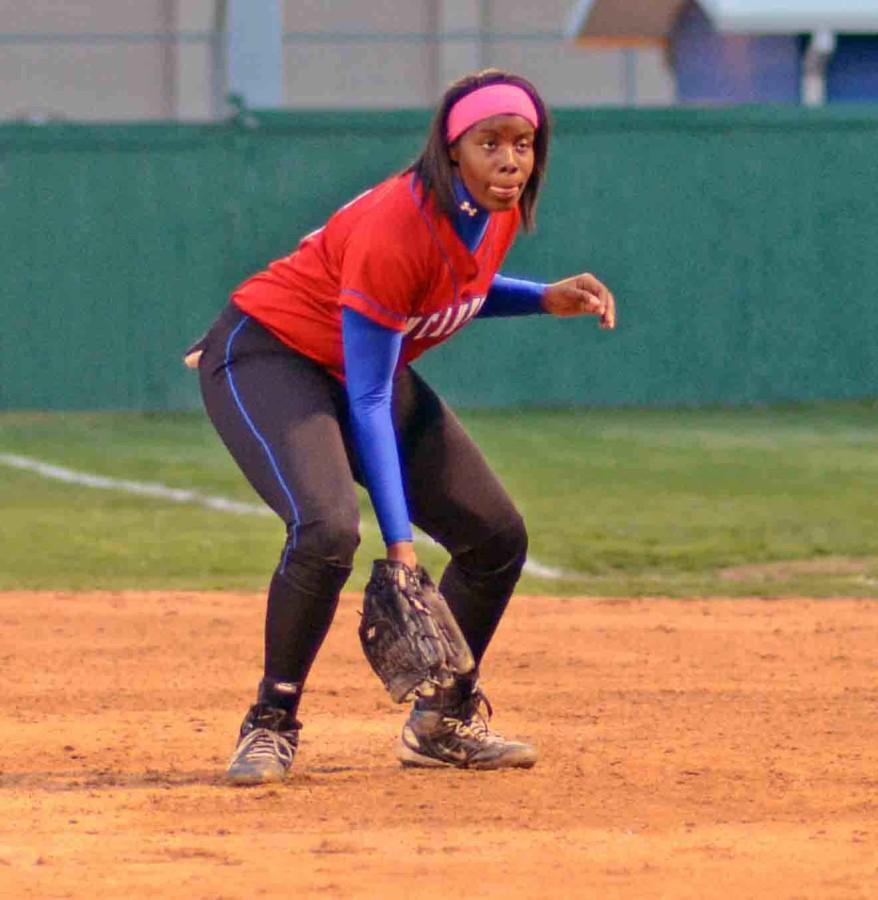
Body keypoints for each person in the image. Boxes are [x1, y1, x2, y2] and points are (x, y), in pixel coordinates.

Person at [189, 68, 616, 785]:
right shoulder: (398, 222)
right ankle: (271, 721)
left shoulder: (498, 210)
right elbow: (369, 395)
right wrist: (401, 549)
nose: (510, 160)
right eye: (490, 143)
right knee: (328, 532)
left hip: (356, 367)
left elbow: (454, 289)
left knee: (495, 537)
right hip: (270, 353)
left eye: (524, 143)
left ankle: (441, 721)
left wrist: (542, 298)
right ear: (452, 150)